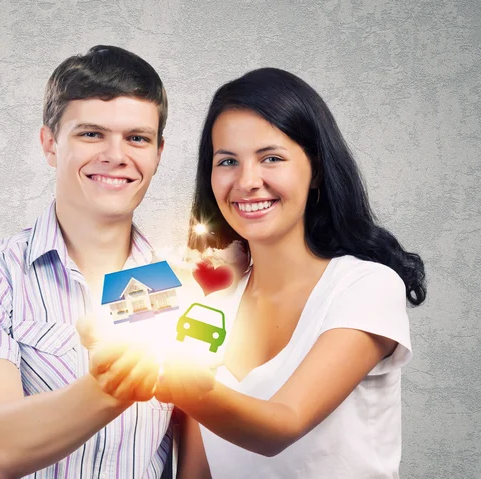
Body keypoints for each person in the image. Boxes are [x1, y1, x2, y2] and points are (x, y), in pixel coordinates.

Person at [85, 67, 426, 478]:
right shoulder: (213, 305)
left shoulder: (364, 287)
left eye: (272, 158)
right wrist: (198, 276)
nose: (247, 182)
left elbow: (281, 425)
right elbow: (95, 319)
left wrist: (175, 381)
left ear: (315, 170)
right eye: (227, 161)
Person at [0, 45, 176, 479]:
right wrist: (112, 387)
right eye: (91, 134)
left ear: (157, 152)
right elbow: (1, 444)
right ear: (49, 144)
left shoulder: (178, 286)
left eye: (137, 138)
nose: (117, 155)